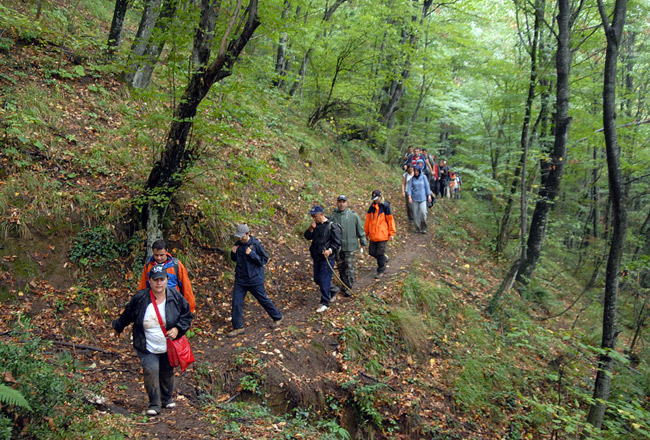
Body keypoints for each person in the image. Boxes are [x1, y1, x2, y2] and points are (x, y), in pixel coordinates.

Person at [113, 264, 193, 416]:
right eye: (155, 280)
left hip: (168, 344)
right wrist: (118, 327)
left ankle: (167, 398)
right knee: (151, 370)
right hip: (146, 343)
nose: (158, 283)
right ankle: (154, 404)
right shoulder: (140, 298)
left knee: (167, 372)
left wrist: (177, 329)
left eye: (162, 279)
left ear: (166, 280)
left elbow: (187, 315)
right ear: (149, 281)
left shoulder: (175, 297)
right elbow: (127, 314)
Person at [228, 224, 283, 337]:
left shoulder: (256, 244)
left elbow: (264, 260)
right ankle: (238, 327)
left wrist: (252, 254)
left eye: (242, 236)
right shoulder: (238, 244)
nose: (239, 239)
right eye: (238, 237)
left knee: (263, 299)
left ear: (248, 234)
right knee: (236, 302)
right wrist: (233, 253)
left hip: (254, 279)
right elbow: (235, 260)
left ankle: (278, 317)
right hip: (240, 279)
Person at [138, 239, 196, 313]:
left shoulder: (176, 265)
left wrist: (190, 308)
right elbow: (143, 286)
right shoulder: (148, 266)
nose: (159, 258)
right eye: (156, 255)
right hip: (154, 304)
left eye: (161, 255)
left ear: (166, 251)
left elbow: (186, 286)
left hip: (174, 304)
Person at [304, 205, 342, 313]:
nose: (313, 219)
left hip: (327, 258)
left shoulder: (332, 226)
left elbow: (337, 242)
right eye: (312, 217)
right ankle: (333, 290)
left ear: (321, 214)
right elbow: (307, 236)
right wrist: (311, 229)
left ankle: (325, 303)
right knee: (317, 279)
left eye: (315, 216)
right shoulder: (315, 226)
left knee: (324, 280)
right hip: (317, 257)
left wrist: (330, 250)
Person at [329, 195, 367, 297]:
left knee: (349, 266)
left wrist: (363, 242)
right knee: (341, 267)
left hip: (350, 246)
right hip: (338, 246)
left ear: (347, 203)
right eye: (340, 202)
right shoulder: (333, 216)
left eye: (343, 202)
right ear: (337, 203)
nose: (342, 204)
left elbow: (360, 230)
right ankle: (344, 284)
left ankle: (349, 286)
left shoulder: (353, 216)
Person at [364, 190, 396, 279]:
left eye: (376, 198)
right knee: (372, 252)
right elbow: (367, 221)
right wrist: (365, 232)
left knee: (380, 253)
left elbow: (390, 220)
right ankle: (383, 259)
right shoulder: (372, 207)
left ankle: (381, 270)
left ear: (380, 197)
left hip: (382, 235)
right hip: (373, 235)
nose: (375, 200)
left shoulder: (385, 206)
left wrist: (391, 233)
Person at [407, 166, 433, 234]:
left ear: (419, 171)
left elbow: (427, 187)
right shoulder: (412, 179)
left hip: (423, 198)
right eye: (415, 171)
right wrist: (410, 197)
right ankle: (417, 227)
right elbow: (409, 189)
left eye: (417, 171)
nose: (416, 173)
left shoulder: (424, 177)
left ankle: (424, 227)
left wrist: (429, 196)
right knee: (415, 214)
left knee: (423, 212)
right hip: (415, 199)